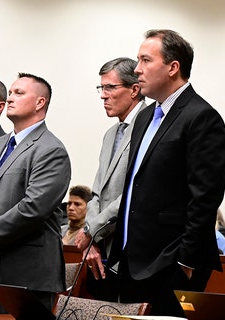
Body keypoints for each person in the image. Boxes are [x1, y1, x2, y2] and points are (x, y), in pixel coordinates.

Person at [107, 29, 225, 317]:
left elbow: (205, 197)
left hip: (171, 264)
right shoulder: (145, 116)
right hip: (131, 260)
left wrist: (185, 262)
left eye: (145, 60)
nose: (136, 69)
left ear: (173, 67)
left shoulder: (201, 117)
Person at [0, 73, 71, 311]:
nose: (10, 98)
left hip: (26, 272)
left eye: (18, 93)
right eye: (10, 93)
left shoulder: (51, 149)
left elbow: (32, 208)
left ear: (40, 103)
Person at [74, 57, 147, 283]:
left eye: (110, 87)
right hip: (102, 246)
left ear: (134, 89)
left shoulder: (149, 127)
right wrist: (93, 237)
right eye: (101, 88)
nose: (103, 95)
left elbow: (134, 192)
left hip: (134, 247)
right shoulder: (110, 135)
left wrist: (91, 230)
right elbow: (97, 193)